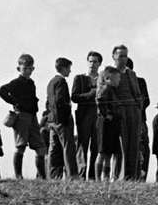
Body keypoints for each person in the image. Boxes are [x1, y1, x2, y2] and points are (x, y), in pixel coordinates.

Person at [0, 53, 48, 180]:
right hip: (21, 116)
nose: (28, 71)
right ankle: (18, 176)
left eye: (30, 68)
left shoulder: (31, 83)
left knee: (40, 147)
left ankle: (42, 177)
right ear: (19, 68)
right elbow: (1, 91)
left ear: (33, 69)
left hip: (32, 116)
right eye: (25, 68)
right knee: (21, 146)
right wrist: (14, 102)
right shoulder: (16, 82)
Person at [109, 46, 144, 181]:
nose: (123, 59)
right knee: (120, 146)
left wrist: (137, 108)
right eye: (120, 56)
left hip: (133, 112)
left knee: (134, 145)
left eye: (125, 56)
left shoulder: (131, 74)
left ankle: (132, 177)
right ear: (113, 56)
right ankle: (117, 177)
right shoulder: (107, 72)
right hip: (119, 112)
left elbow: (138, 94)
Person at [45, 57, 80, 179]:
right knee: (68, 148)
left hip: (52, 120)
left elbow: (48, 103)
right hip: (62, 120)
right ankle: (72, 176)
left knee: (53, 150)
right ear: (64, 68)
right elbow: (61, 100)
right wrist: (67, 110)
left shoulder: (51, 82)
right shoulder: (61, 82)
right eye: (69, 68)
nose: (70, 71)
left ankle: (54, 176)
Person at [71, 51, 103, 180]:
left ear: (99, 63)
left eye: (95, 61)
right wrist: (90, 94)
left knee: (96, 146)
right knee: (82, 145)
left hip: (98, 117)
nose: (92, 64)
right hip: (84, 116)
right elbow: (74, 97)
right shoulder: (80, 78)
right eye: (90, 61)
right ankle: (81, 175)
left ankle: (93, 175)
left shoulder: (103, 78)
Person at [95, 65, 122, 181]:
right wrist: (105, 115)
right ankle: (98, 178)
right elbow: (99, 100)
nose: (119, 79)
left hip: (112, 122)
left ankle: (106, 178)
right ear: (109, 77)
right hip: (105, 123)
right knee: (102, 151)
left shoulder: (113, 90)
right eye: (117, 77)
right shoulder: (106, 88)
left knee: (109, 152)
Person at [133, 61, 151, 180]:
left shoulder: (139, 81)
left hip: (139, 119)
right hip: (136, 119)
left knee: (143, 147)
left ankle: (141, 176)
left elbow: (146, 101)